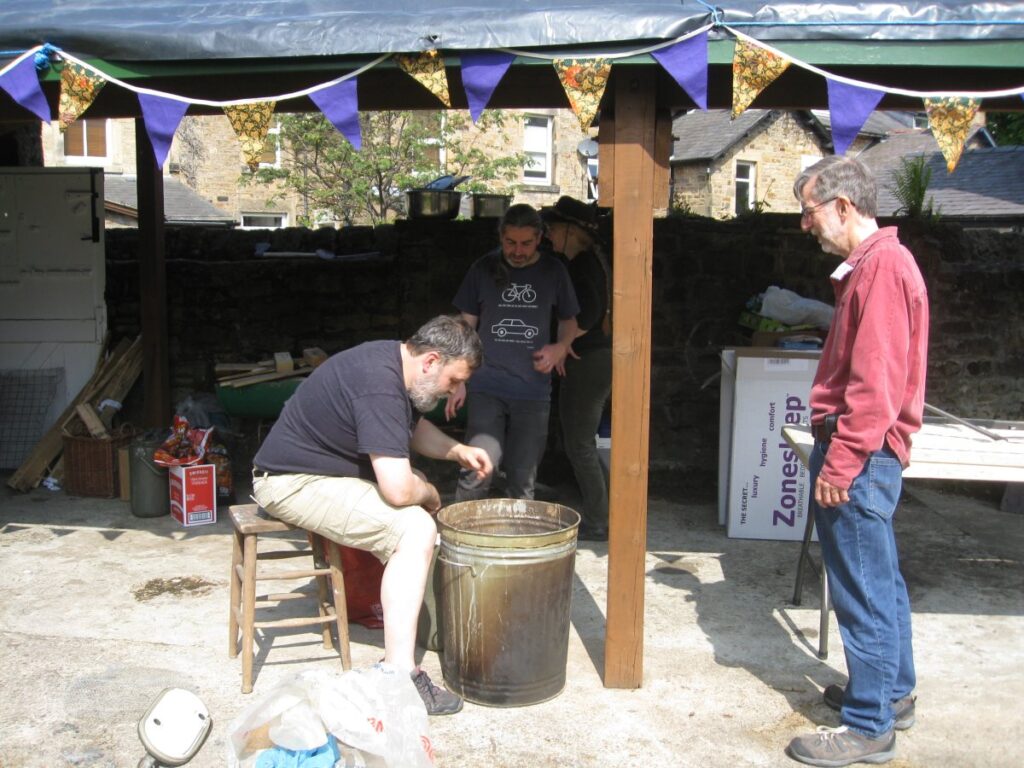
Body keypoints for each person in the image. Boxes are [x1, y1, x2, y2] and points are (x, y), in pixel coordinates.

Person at [250, 315, 492, 717]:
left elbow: (409, 429)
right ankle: (399, 674)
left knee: (412, 503)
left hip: (316, 474)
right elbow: (397, 489)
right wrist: (430, 492)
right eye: (455, 381)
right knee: (414, 527)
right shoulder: (378, 385)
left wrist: (457, 451)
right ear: (431, 361)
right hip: (289, 482)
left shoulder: (394, 363)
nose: (458, 390)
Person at [785, 156, 929, 767]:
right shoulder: (873, 267)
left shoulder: (882, 269)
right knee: (882, 581)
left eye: (809, 211)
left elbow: (875, 387)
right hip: (865, 454)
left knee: (862, 590)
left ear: (844, 206)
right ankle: (891, 694)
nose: (805, 225)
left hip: (861, 456)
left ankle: (869, 725)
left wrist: (840, 464)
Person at [446, 203, 579, 502]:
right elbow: (465, 327)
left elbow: (569, 321)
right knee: (477, 470)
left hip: (533, 392)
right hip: (485, 386)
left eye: (526, 243)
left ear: (540, 238)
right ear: (500, 238)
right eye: (510, 243)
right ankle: (460, 544)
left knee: (523, 477)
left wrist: (560, 347)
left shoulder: (554, 271)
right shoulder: (482, 268)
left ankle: (520, 546)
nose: (518, 251)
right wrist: (459, 379)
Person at [540, 196, 613, 541]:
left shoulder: (583, 265)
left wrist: (562, 346)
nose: (548, 234)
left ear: (571, 231)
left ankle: (600, 519)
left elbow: (590, 313)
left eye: (553, 227)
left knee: (580, 443)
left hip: (590, 359)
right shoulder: (584, 262)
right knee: (580, 441)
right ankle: (605, 509)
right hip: (592, 358)